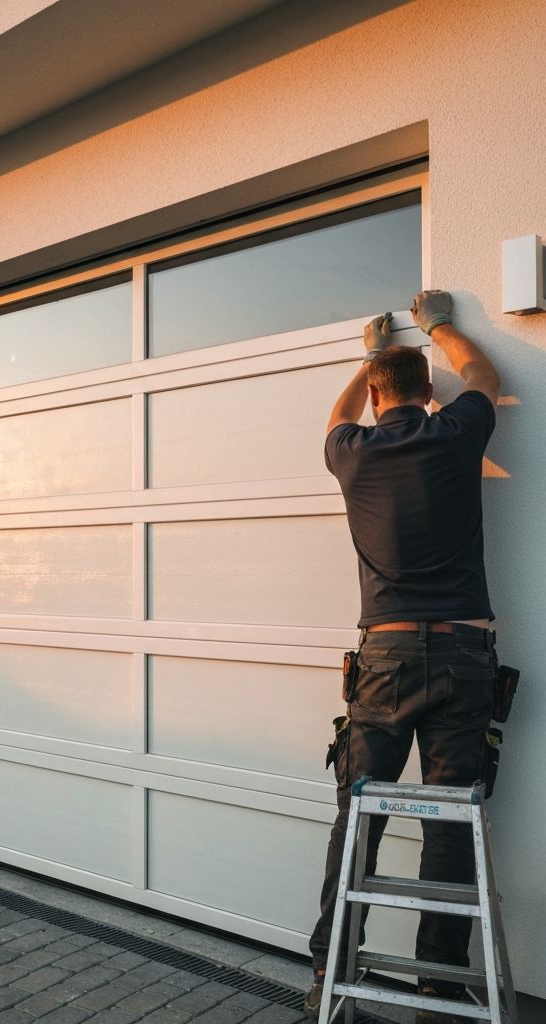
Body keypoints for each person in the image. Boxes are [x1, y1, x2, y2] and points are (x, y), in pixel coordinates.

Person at [304, 291, 501, 1024]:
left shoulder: (350, 451)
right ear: (427, 392)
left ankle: (330, 973)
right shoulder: (456, 432)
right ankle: (438, 992)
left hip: (382, 661)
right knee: (449, 824)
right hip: (461, 654)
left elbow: (335, 418)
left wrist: (366, 358)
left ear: (377, 394)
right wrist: (442, 322)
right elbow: (483, 375)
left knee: (359, 819)